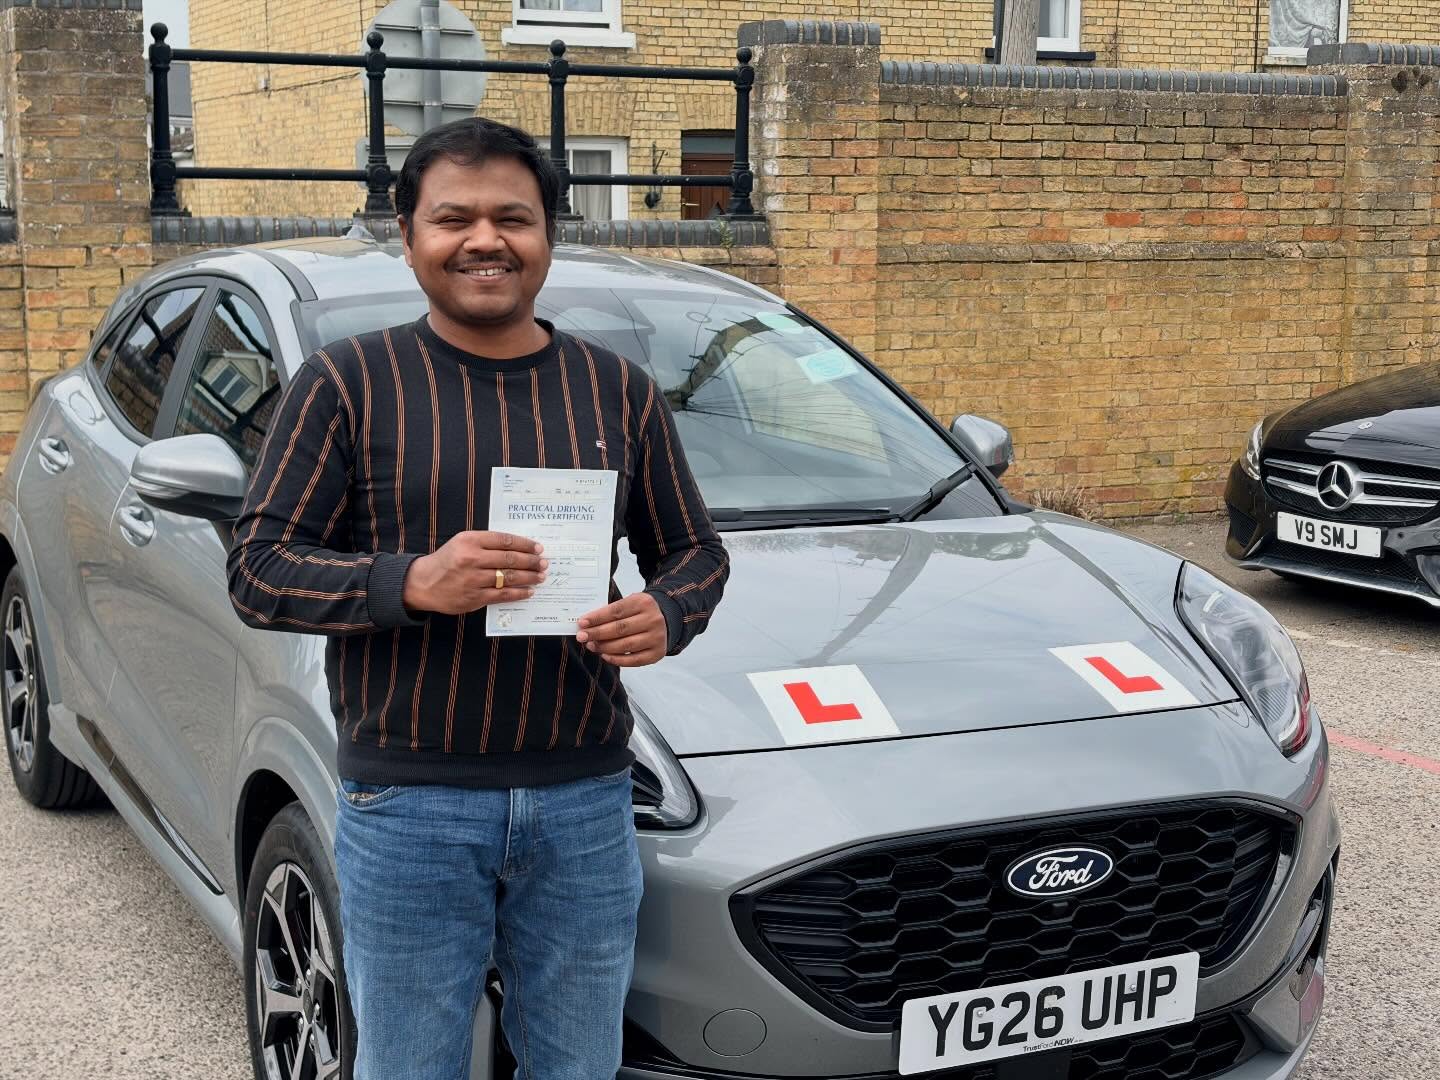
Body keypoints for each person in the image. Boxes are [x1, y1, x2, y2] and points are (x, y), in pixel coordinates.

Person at [226, 117, 728, 1080]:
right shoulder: (346, 384)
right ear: (409, 234)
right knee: (408, 1066)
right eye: (454, 218)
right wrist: (410, 581)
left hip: (585, 798)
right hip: (409, 802)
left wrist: (669, 613)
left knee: (578, 1067)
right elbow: (257, 567)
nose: (485, 240)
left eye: (514, 218)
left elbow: (695, 552)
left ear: (549, 235)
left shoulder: (617, 391)